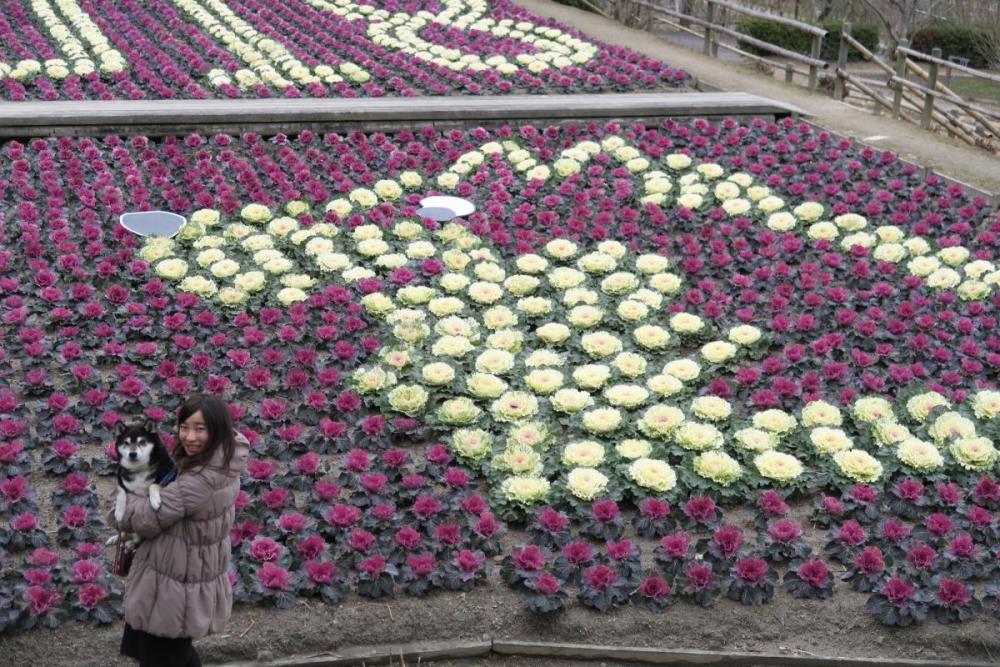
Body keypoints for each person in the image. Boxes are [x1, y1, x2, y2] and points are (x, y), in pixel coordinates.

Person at [115, 394, 249, 667]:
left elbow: (140, 520)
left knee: (162, 655)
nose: (189, 436)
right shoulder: (221, 461)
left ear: (218, 430)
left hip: (173, 587)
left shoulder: (196, 483)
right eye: (185, 426)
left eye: (200, 429)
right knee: (175, 655)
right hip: (183, 573)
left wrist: (126, 499)